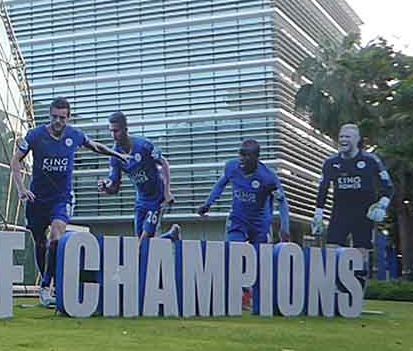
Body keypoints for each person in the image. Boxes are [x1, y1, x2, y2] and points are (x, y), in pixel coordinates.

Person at [10, 98, 130, 308]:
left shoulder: (74, 135)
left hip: (61, 198)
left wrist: (116, 154)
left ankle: (47, 287)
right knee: (40, 242)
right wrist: (22, 188)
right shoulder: (35, 135)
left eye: (62, 117)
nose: (57, 121)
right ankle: (46, 285)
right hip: (37, 199)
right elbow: (15, 160)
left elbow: (94, 146)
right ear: (50, 115)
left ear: (68, 117)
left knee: (56, 236)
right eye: (54, 116)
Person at [198, 139, 291, 311]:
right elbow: (221, 184)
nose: (242, 158)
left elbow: (283, 202)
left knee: (258, 261)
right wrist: (208, 203)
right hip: (238, 220)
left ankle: (257, 297)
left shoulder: (268, 177)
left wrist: (285, 228)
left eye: (247, 155)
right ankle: (239, 294)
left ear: (256, 157)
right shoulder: (232, 167)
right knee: (234, 252)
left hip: (259, 224)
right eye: (241, 153)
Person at [96, 111, 181, 242]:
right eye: (111, 131)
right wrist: (106, 188)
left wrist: (167, 191)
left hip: (157, 197)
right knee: (142, 242)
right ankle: (170, 236)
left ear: (125, 129)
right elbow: (115, 187)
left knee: (144, 240)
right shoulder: (115, 156)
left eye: (116, 131)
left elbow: (164, 163)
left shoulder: (143, 145)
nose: (113, 135)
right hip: (141, 200)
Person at [311, 123, 393, 249]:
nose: (343, 140)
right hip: (340, 212)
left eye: (347, 137)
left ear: (357, 139)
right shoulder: (330, 163)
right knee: (331, 250)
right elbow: (323, 189)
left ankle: (362, 268)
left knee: (362, 251)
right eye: (341, 137)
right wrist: (318, 214)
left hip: (363, 213)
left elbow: (388, 186)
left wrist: (382, 205)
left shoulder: (371, 160)